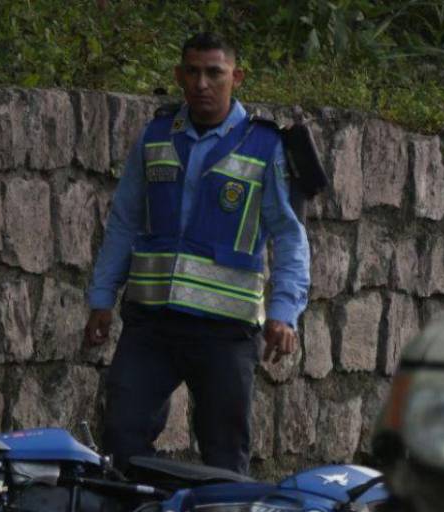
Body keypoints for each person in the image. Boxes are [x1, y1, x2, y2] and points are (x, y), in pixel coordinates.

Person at [83, 32, 310, 476]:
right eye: (192, 71)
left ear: (236, 77)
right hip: (151, 325)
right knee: (122, 442)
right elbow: (124, 222)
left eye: (214, 73)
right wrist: (101, 299)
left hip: (224, 333)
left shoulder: (266, 146)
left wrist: (284, 312)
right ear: (178, 75)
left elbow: (289, 234)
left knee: (225, 458)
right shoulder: (154, 136)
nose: (202, 83)